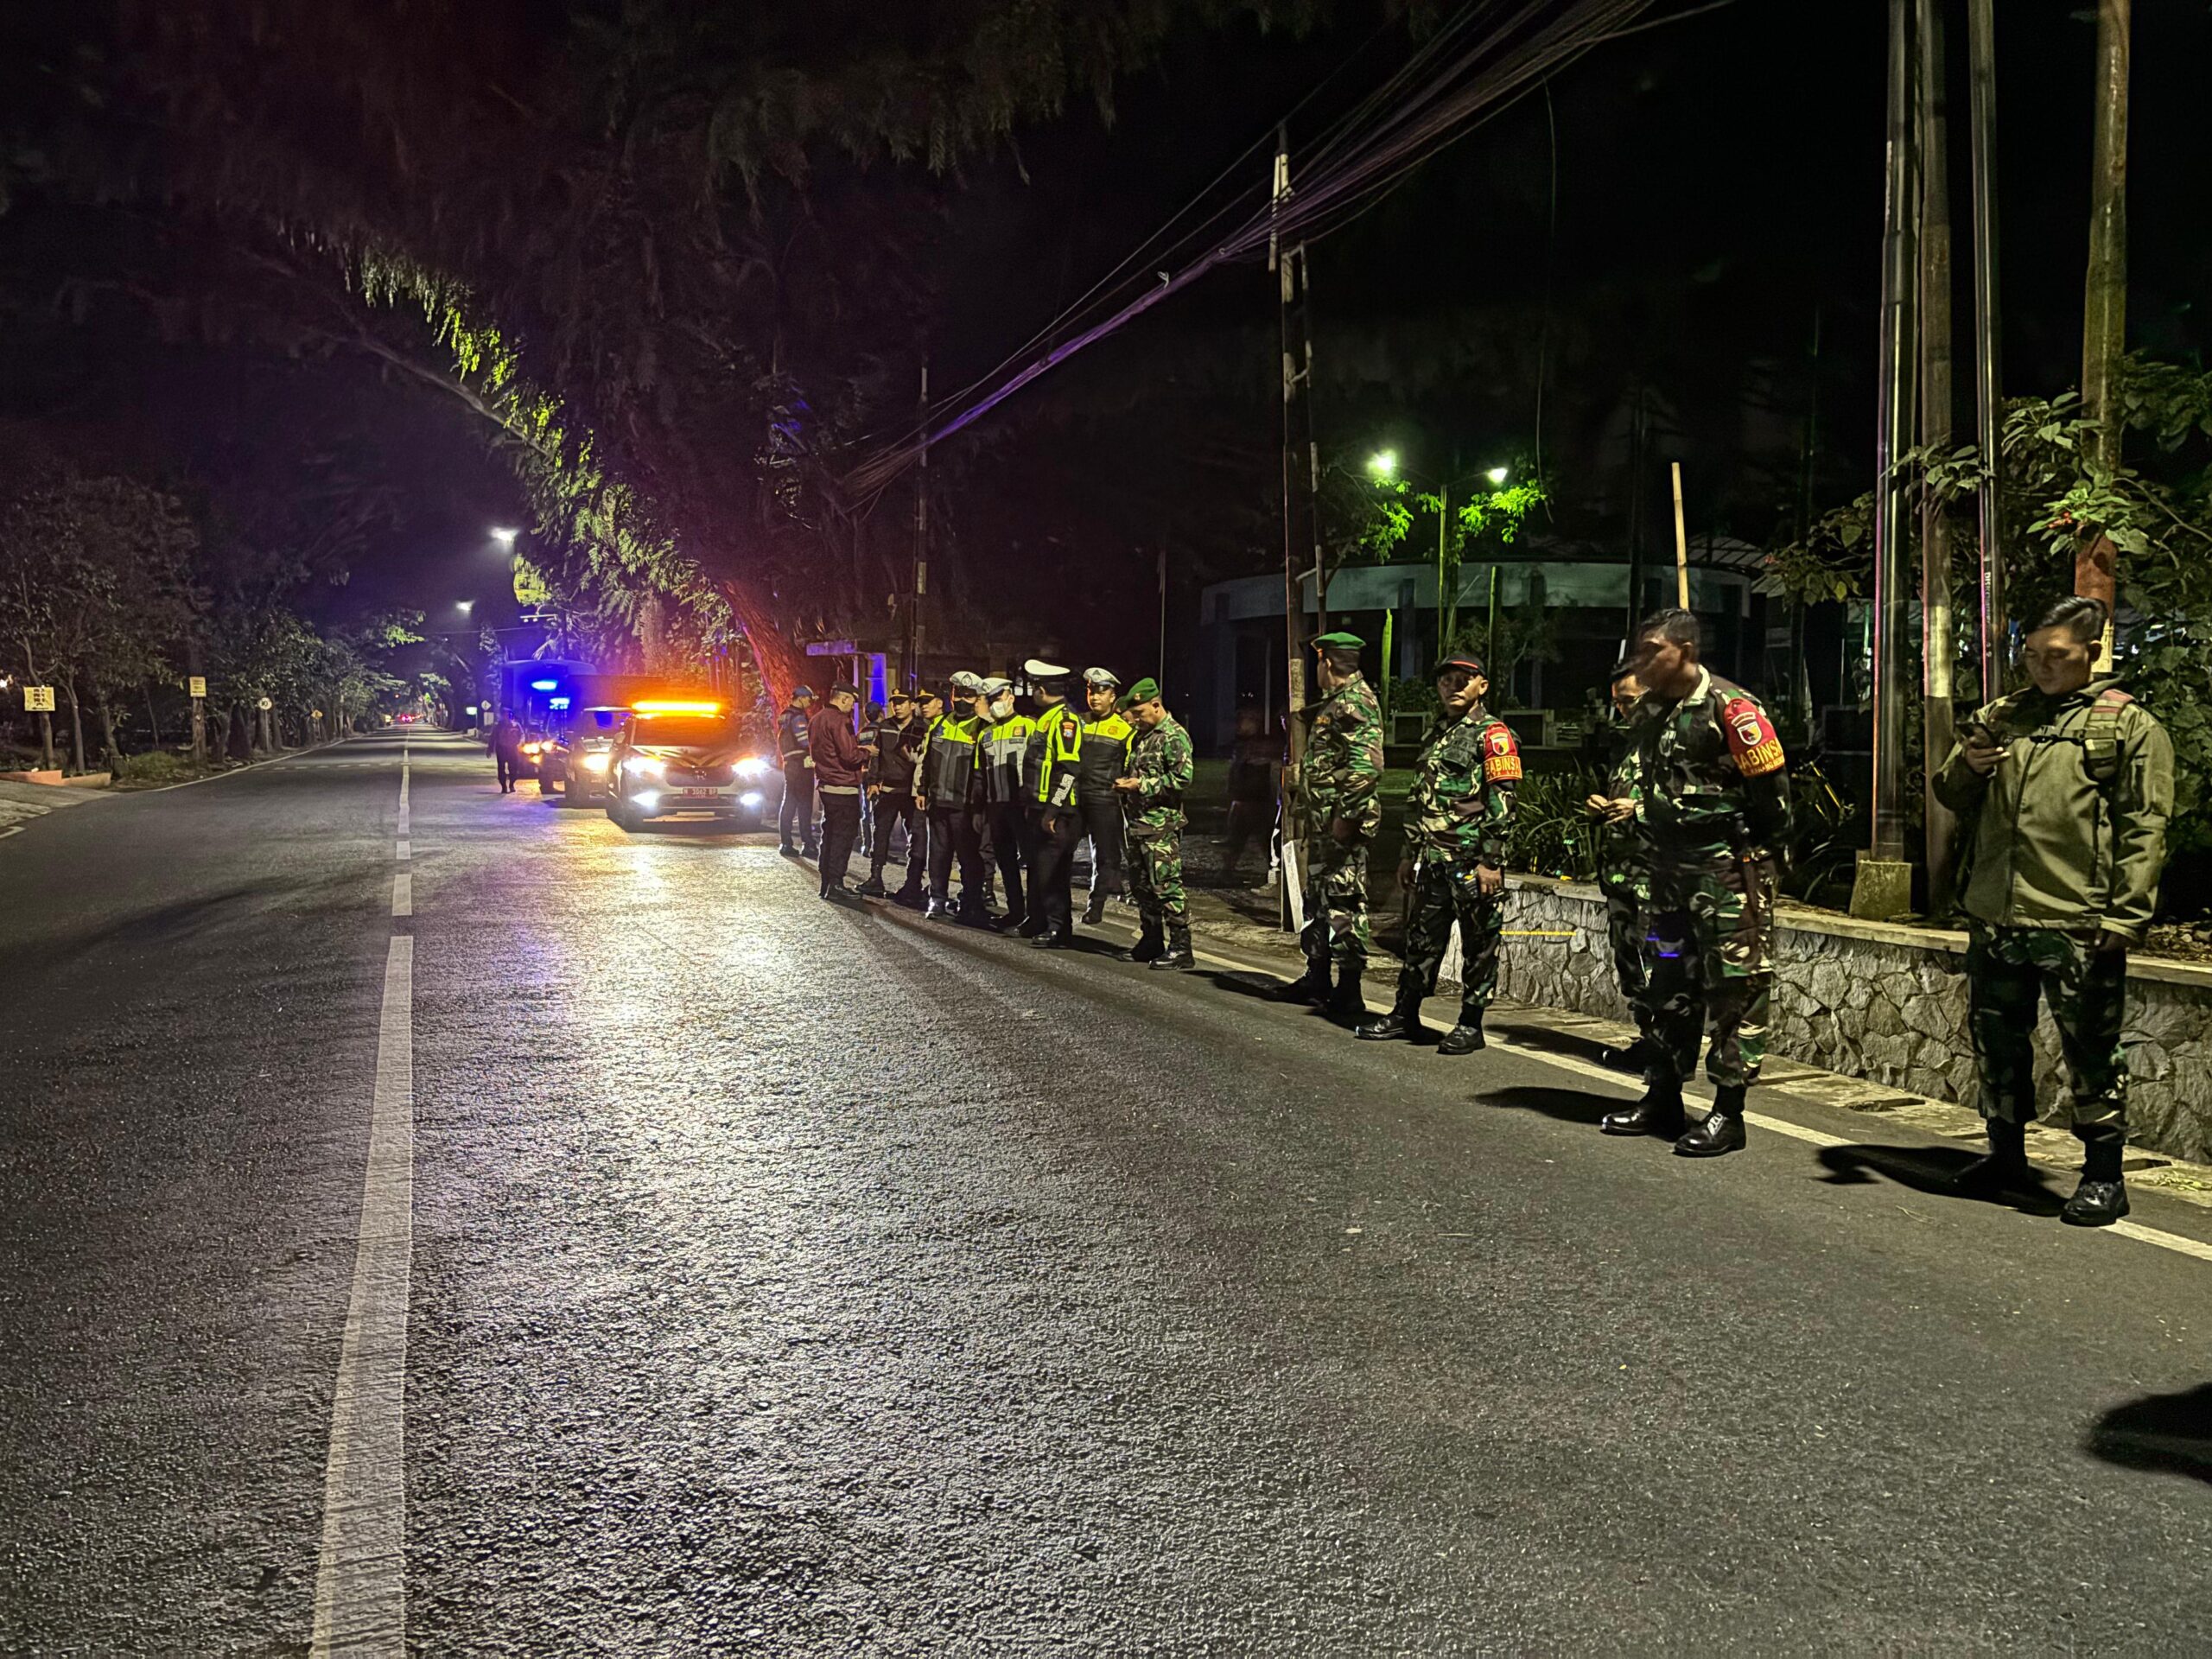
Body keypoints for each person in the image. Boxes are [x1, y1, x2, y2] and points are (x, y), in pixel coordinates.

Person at [1934, 594, 2175, 1226]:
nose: (2040, 667)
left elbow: (2144, 827)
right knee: (1998, 1044)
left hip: (2077, 920)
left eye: (2057, 656)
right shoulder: (2002, 716)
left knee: (2092, 1051)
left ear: (2092, 653)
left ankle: (2102, 1176)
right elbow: (1949, 792)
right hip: (1996, 913)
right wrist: (1969, 765)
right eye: (2031, 654)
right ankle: (2005, 1157)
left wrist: (2126, 916)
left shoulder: (2127, 726)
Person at [1599, 607, 1791, 1158]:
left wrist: (1758, 864)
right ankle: (1663, 1095)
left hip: (1726, 875)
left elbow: (1774, 802)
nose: (1641, 662)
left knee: (1736, 991)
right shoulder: (1655, 711)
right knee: (1666, 985)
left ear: (1684, 650)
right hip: (1666, 878)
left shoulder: (1734, 710)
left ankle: (1729, 1114)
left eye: (1651, 651)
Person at [1356, 655, 1518, 1054]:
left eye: (1464, 679)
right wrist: (1408, 853)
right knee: (1422, 940)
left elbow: (1505, 800)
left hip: (1470, 859)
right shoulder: (1436, 734)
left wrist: (1491, 860)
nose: (1454, 686)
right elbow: (1418, 800)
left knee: (1479, 944)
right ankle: (1405, 1013)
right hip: (1432, 860)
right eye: (1446, 679)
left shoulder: (1493, 734)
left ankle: (1470, 1023)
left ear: (1482, 685)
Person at [1276, 632, 1386, 1020]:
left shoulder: (1354, 703)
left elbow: (1366, 768)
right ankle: (1317, 976)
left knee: (1344, 902)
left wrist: (1346, 818)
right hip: (1325, 823)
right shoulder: (1338, 702)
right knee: (1320, 899)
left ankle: (1350, 990)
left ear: (1326, 664)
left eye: (1317, 664)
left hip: (1343, 826)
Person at [1585, 664, 1658, 1070]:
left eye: (1628, 702)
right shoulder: (1631, 745)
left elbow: (1695, 804)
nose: (1622, 711)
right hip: (1621, 876)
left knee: (1659, 967)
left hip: (1654, 878)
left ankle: (1665, 1052)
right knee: (1630, 964)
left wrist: (1639, 809)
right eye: (1617, 704)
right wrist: (1601, 807)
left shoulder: (1674, 743)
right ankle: (1648, 1040)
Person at [1114, 678, 1196, 968]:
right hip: (1137, 824)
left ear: (1156, 705)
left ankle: (1181, 948)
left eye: (1140, 713)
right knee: (1141, 886)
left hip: (1160, 826)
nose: (1135, 720)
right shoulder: (1142, 737)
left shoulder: (1174, 736)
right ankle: (1151, 940)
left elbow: (1182, 779)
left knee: (1166, 885)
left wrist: (1141, 785)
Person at [915, 672, 990, 925]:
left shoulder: (981, 728)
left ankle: (970, 901)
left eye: (969, 695)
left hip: (965, 807)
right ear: (952, 694)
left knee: (969, 858)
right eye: (959, 693)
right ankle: (937, 898)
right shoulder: (939, 724)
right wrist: (923, 790)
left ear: (976, 698)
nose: (962, 699)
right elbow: (927, 761)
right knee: (938, 854)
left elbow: (983, 774)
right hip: (938, 803)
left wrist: (979, 808)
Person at [1020, 660, 1086, 949]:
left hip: (1059, 812)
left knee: (1052, 872)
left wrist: (1053, 810)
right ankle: (1037, 920)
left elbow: (1069, 770)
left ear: (1043, 689)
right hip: (1039, 808)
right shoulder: (1047, 718)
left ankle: (1058, 927)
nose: (1033, 691)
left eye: (1035, 686)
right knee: (1037, 868)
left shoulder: (1065, 721)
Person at [976, 676, 1037, 932]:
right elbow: (980, 775)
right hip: (997, 807)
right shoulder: (985, 734)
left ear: (1011, 696)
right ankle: (1015, 911)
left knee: (1033, 861)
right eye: (990, 700)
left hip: (1022, 808)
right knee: (1006, 861)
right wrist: (981, 810)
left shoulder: (1029, 727)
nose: (994, 704)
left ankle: (1036, 916)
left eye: (998, 698)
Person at [1077, 668, 1135, 925]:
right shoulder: (1077, 723)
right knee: (1058, 853)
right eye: (1091, 691)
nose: (1095, 697)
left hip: (1104, 800)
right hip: (1075, 798)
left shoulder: (1124, 731)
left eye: (1101, 692)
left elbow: (1131, 767)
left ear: (1113, 696)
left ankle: (1095, 905)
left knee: (1106, 857)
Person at [861, 690, 927, 906]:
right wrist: (872, 782)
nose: (897, 707)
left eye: (902, 703)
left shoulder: (921, 727)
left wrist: (923, 789)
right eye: (894, 703)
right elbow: (875, 757)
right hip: (887, 790)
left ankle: (913, 883)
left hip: (911, 793)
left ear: (911, 705)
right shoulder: (884, 727)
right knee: (880, 833)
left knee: (916, 837)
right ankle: (875, 877)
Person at [809, 683, 871, 899]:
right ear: (844, 699)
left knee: (829, 834)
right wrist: (867, 752)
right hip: (843, 786)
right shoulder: (840, 721)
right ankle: (836, 884)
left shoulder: (816, 718)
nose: (852, 707)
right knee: (843, 837)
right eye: (852, 702)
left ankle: (827, 881)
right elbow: (850, 755)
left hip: (826, 784)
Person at [1222, 706, 1280, 883]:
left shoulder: (1261, 745)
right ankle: (1227, 871)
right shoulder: (1241, 745)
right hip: (1241, 800)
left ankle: (1274, 874)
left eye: (1246, 720)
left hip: (1256, 801)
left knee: (1263, 839)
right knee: (1235, 840)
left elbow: (1255, 775)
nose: (1240, 725)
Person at [777, 684, 818, 858]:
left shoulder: (785, 715)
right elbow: (804, 741)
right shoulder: (799, 718)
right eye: (809, 699)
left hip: (789, 764)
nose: (810, 703)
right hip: (801, 765)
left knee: (789, 803)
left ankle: (786, 842)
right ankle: (808, 844)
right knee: (804, 806)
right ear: (801, 698)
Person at [493, 709, 524, 793]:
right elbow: (493, 737)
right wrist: (490, 748)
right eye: (505, 715)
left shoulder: (516, 725)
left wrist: (520, 744)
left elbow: (522, 736)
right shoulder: (498, 726)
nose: (506, 717)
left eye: (508, 715)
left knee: (514, 768)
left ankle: (512, 784)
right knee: (501, 768)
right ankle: (504, 786)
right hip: (501, 749)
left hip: (513, 749)